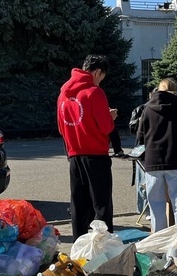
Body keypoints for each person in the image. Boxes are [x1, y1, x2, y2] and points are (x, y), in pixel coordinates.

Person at [57, 54, 117, 240]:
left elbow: (61, 127)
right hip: (96, 155)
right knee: (101, 205)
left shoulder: (64, 94)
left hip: (74, 155)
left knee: (79, 204)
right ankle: (105, 247)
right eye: (101, 77)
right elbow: (106, 126)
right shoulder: (94, 92)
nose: (100, 82)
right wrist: (110, 117)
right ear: (98, 72)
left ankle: (79, 245)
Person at [136, 78, 177, 237]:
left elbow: (140, 135)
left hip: (153, 160)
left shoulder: (147, 108)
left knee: (156, 205)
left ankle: (160, 240)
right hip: (175, 159)